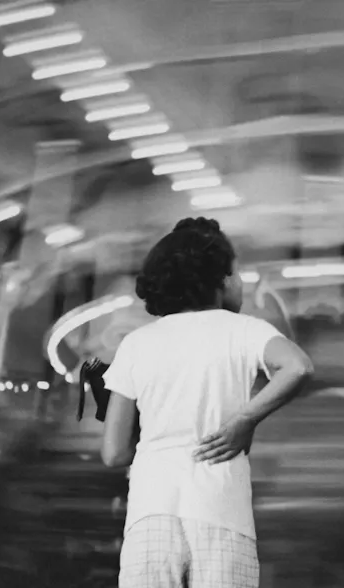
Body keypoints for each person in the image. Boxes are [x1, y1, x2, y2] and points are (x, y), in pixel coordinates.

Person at [100, 217, 314, 588]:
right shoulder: (246, 329)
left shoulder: (136, 342)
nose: (242, 281)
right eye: (237, 272)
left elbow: (114, 453)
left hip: (150, 515)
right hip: (222, 514)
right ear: (222, 280)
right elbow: (297, 367)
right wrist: (245, 420)